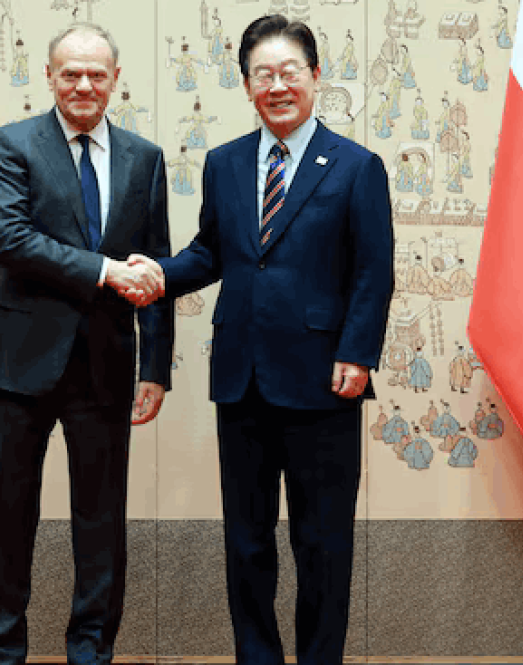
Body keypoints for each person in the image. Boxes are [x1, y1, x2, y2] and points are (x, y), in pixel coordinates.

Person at [142, 15, 393, 663]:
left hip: (324, 381)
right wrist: (157, 274)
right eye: (263, 75)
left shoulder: (357, 167)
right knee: (247, 542)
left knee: (322, 543)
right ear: (247, 84)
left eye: (289, 72)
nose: (277, 86)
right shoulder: (224, 163)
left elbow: (373, 271)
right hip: (242, 377)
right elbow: (211, 252)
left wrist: (358, 352)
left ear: (315, 76)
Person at [0, 23, 175, 665]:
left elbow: (156, 264)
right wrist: (104, 270)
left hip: (106, 367)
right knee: (8, 520)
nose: (84, 85)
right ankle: (3, 654)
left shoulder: (144, 158)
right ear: (50, 76)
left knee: (102, 526)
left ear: (115, 80)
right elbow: (10, 240)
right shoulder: (14, 144)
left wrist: (155, 367)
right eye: (71, 73)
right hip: (17, 364)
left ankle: (91, 653)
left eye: (96, 74)